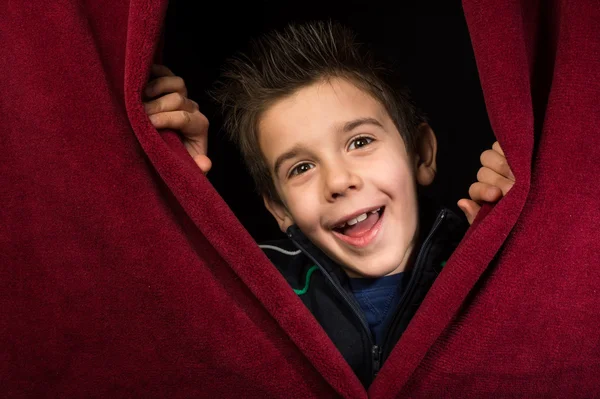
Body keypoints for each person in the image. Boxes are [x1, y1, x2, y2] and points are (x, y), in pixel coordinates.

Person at [142, 21, 515, 387]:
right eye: (301, 167)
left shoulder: (491, 265)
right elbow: (153, 304)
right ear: (279, 208)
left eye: (360, 142)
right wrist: (165, 187)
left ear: (420, 154)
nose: (338, 181)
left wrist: (526, 238)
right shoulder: (254, 286)